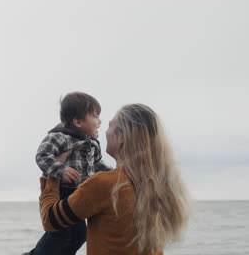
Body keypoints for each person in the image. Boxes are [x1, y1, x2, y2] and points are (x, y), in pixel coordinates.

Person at [38, 103, 190, 255]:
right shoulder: (158, 184)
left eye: (110, 125)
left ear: (122, 136)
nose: (105, 130)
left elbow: (50, 220)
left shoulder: (104, 184)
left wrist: (53, 174)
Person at [24, 92, 111, 255]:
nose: (100, 122)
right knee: (59, 234)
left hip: (77, 196)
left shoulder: (92, 144)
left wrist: (115, 175)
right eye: (95, 116)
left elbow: (97, 165)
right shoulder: (60, 137)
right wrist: (61, 169)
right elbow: (42, 156)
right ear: (77, 121)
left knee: (80, 235)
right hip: (59, 192)